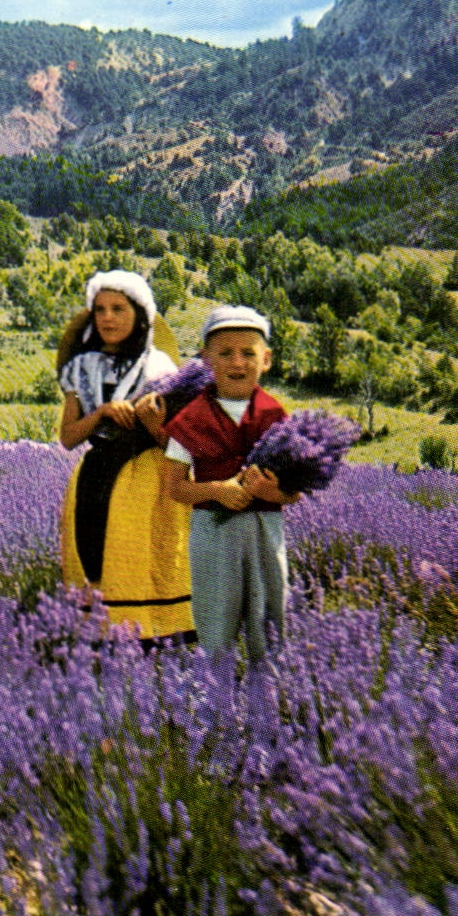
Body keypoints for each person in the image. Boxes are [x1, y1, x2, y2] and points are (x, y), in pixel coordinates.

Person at [161, 305, 295, 728]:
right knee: (216, 618)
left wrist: (267, 490)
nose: (237, 363)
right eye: (225, 353)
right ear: (205, 359)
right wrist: (218, 491)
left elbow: (294, 490)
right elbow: (174, 487)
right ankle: (217, 718)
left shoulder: (277, 417)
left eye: (248, 353)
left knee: (269, 618)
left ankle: (265, 718)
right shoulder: (190, 419)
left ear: (266, 359)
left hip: (265, 531)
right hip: (213, 532)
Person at [56, 270, 193, 644]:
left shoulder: (161, 367)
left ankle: (155, 641)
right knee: (97, 559)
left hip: (148, 479)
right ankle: (103, 644)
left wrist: (152, 423)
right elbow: (68, 438)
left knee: (145, 558)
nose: (108, 318)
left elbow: (180, 445)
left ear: (139, 313)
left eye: (119, 308)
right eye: (100, 309)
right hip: (96, 477)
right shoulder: (80, 368)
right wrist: (100, 413)